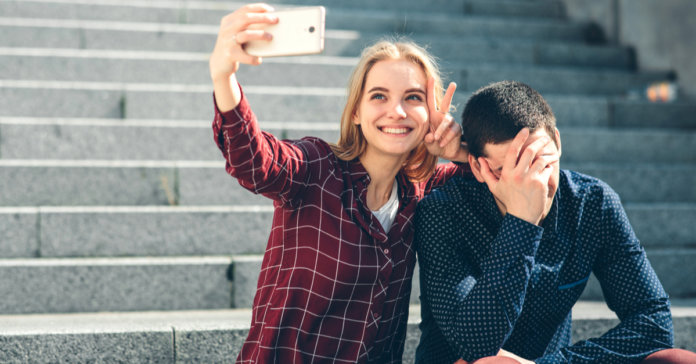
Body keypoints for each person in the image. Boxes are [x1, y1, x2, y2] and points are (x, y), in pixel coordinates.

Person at [209, 3, 469, 362]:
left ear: (432, 114)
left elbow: (498, 177)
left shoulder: (422, 190)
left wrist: (461, 151)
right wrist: (224, 77)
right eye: (379, 96)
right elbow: (255, 161)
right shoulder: (316, 167)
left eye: (413, 98)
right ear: (357, 112)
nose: (397, 110)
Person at [414, 80, 696, 363]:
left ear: (558, 143)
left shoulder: (591, 203)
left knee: (678, 360)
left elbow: (654, 323)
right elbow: (476, 345)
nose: (532, 184)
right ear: (476, 166)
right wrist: (522, 220)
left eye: (541, 164)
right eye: (506, 171)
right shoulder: (442, 212)